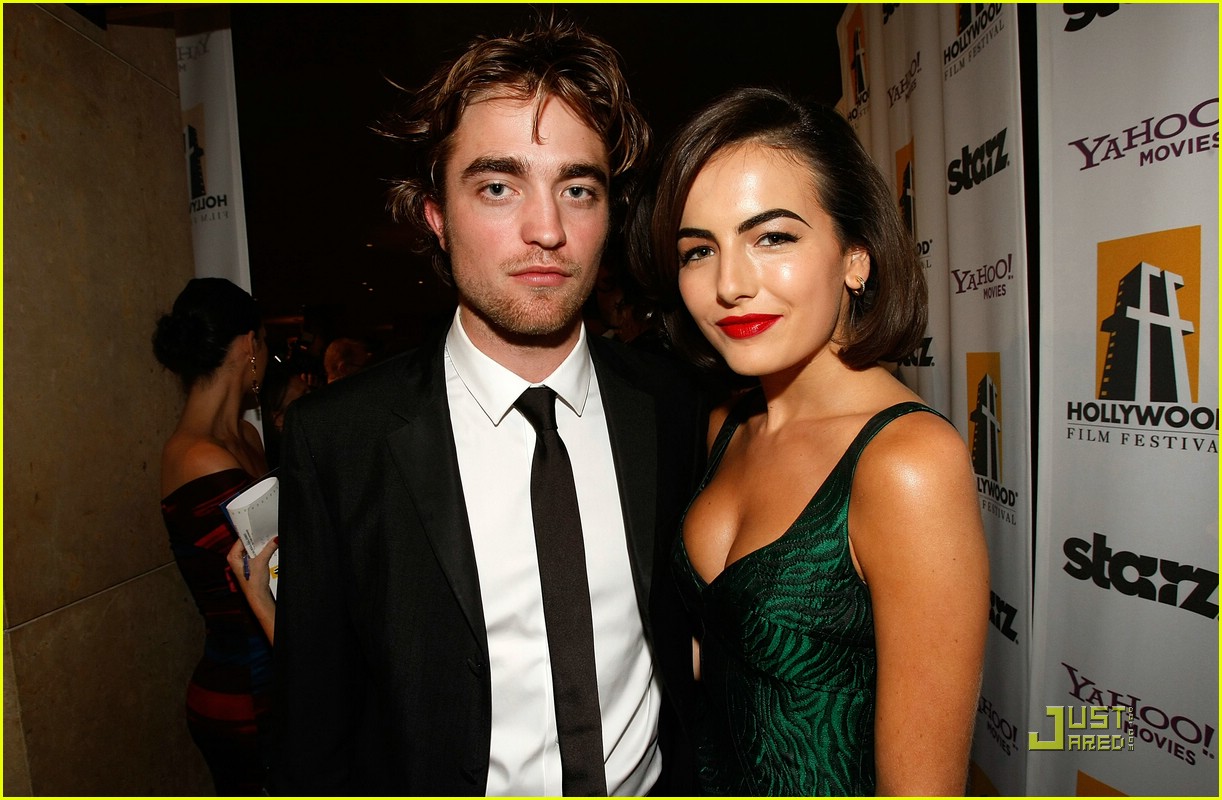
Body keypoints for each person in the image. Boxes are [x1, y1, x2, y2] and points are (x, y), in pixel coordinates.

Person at [271, 19, 707, 796]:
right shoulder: (338, 440)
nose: (548, 230)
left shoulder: (671, 405)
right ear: (436, 216)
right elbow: (313, 729)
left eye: (578, 189)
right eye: (499, 187)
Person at [637, 87, 989, 796]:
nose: (729, 284)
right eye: (699, 250)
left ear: (856, 257)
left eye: (772, 237)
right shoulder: (728, 423)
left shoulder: (907, 463)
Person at [152, 277, 275, 795]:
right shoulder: (198, 457)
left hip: (269, 676)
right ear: (249, 344)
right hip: (244, 696)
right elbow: (272, 573)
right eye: (264, 342)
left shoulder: (246, 436)